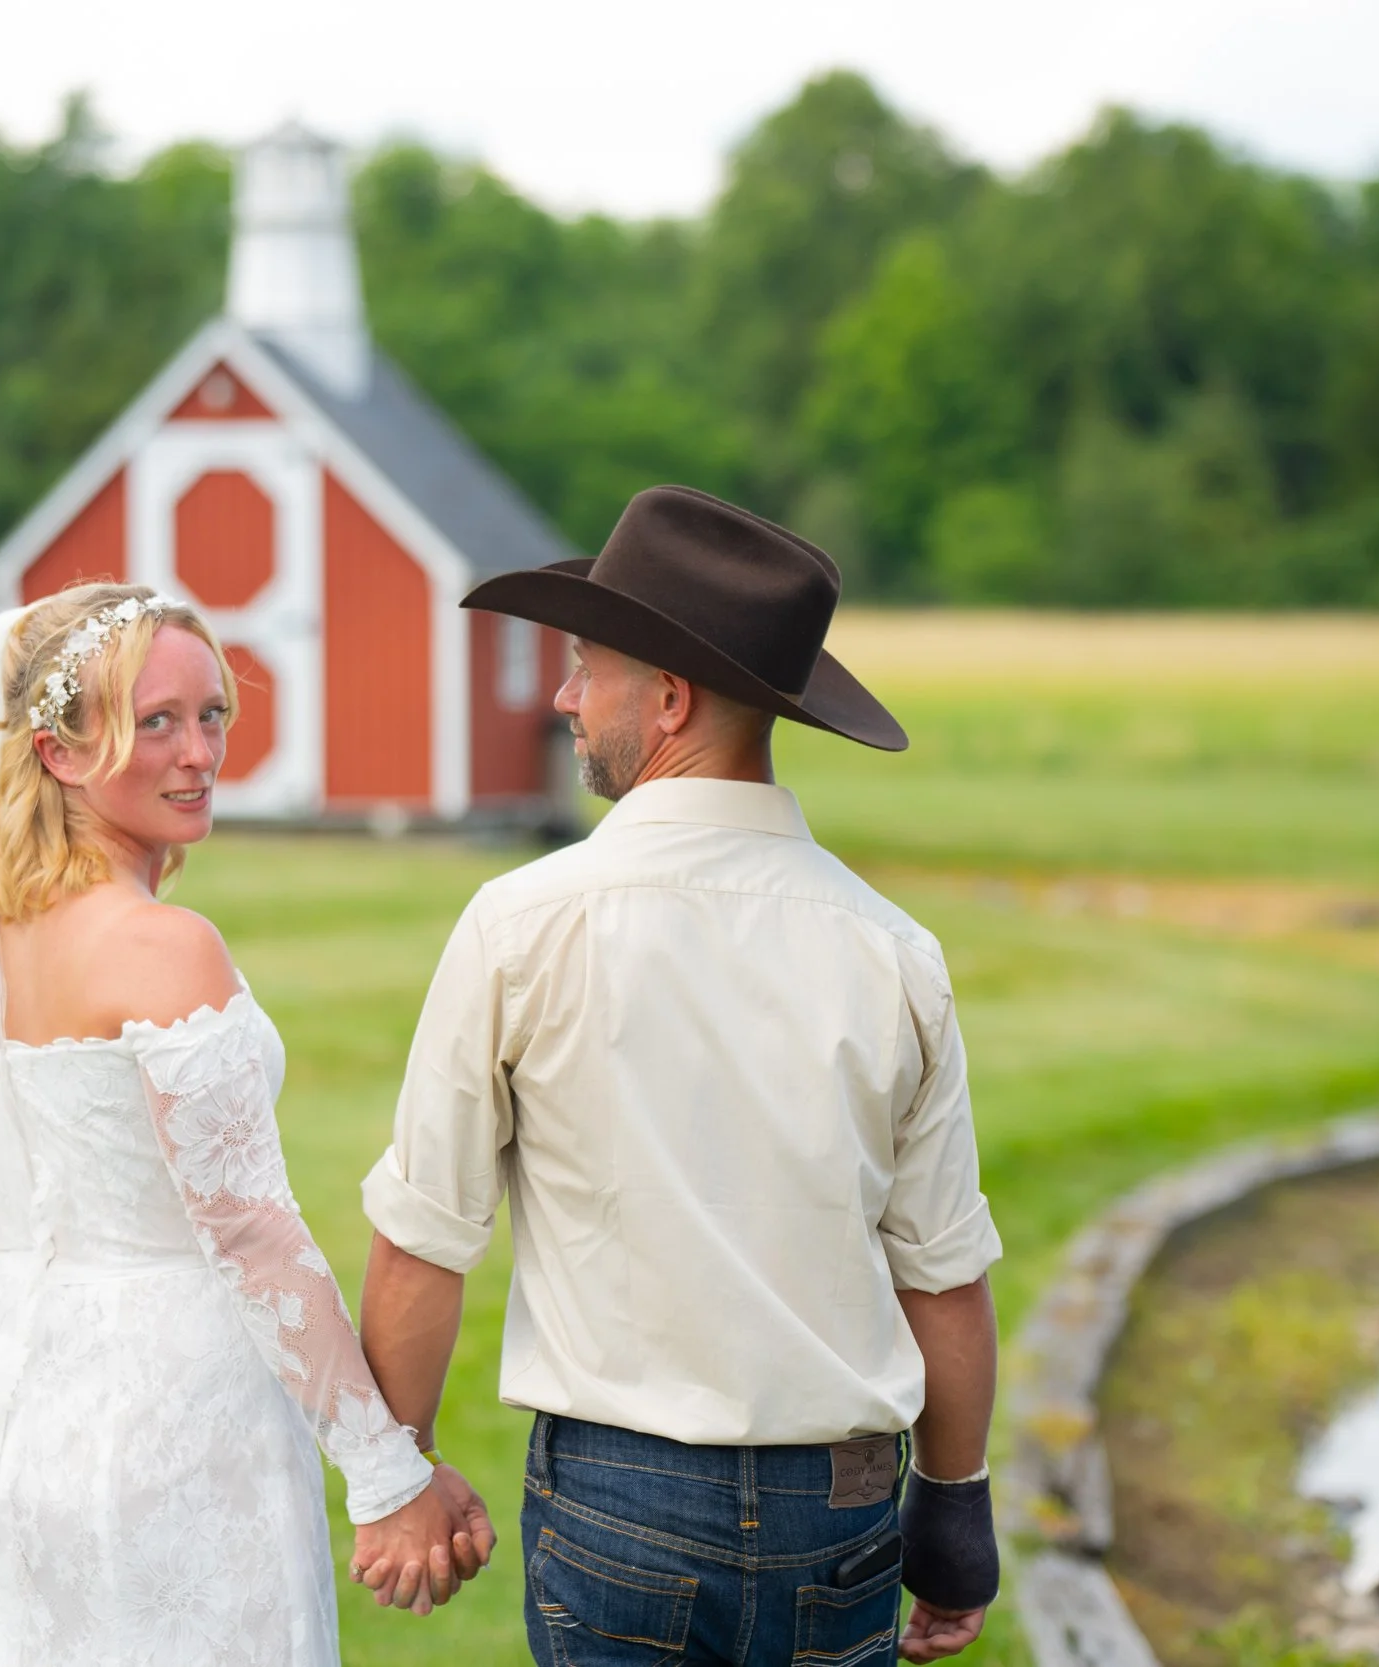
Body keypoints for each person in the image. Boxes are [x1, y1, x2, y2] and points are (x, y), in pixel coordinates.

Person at [354, 487, 1005, 1665]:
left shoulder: (520, 922)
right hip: (843, 1513)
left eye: (583, 666)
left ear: (667, 698)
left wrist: (395, 1469)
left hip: (621, 1504)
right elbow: (943, 1270)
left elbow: (426, 1236)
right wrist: (954, 1522)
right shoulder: (894, 950)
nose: (561, 696)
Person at [0, 583, 494, 1667]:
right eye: (156, 722)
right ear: (59, 750)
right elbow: (251, 1235)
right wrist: (389, 1471)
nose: (199, 753)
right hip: (172, 1421)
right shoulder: (163, 947)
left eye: (212, 713)